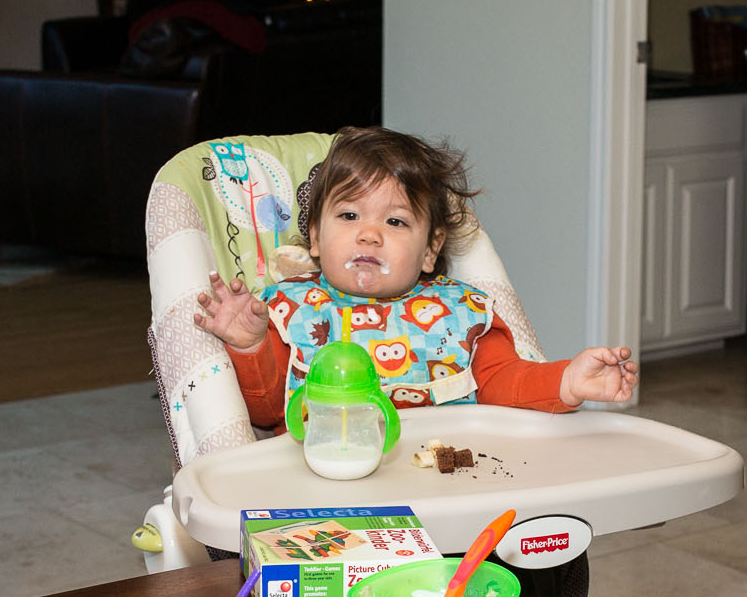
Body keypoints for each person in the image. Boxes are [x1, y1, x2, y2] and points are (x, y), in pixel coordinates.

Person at [193, 126, 638, 420]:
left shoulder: (460, 314)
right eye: (349, 216)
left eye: (395, 221)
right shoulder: (286, 312)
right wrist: (250, 345)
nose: (369, 235)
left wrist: (567, 381)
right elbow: (268, 411)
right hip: (327, 488)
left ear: (431, 250)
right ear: (314, 237)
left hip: (444, 483)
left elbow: (505, 384)